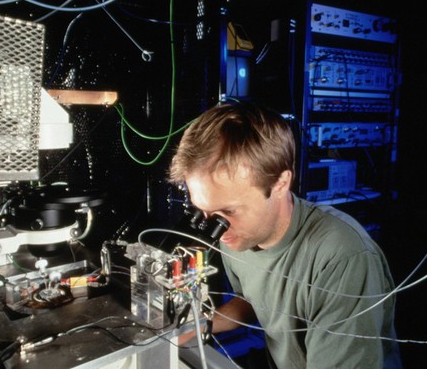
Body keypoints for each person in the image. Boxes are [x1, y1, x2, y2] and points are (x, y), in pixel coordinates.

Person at [168, 101, 402, 368]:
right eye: (205, 212)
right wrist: (201, 324)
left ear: (280, 183)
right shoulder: (236, 234)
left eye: (228, 211)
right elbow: (255, 299)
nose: (218, 231)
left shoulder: (342, 258)